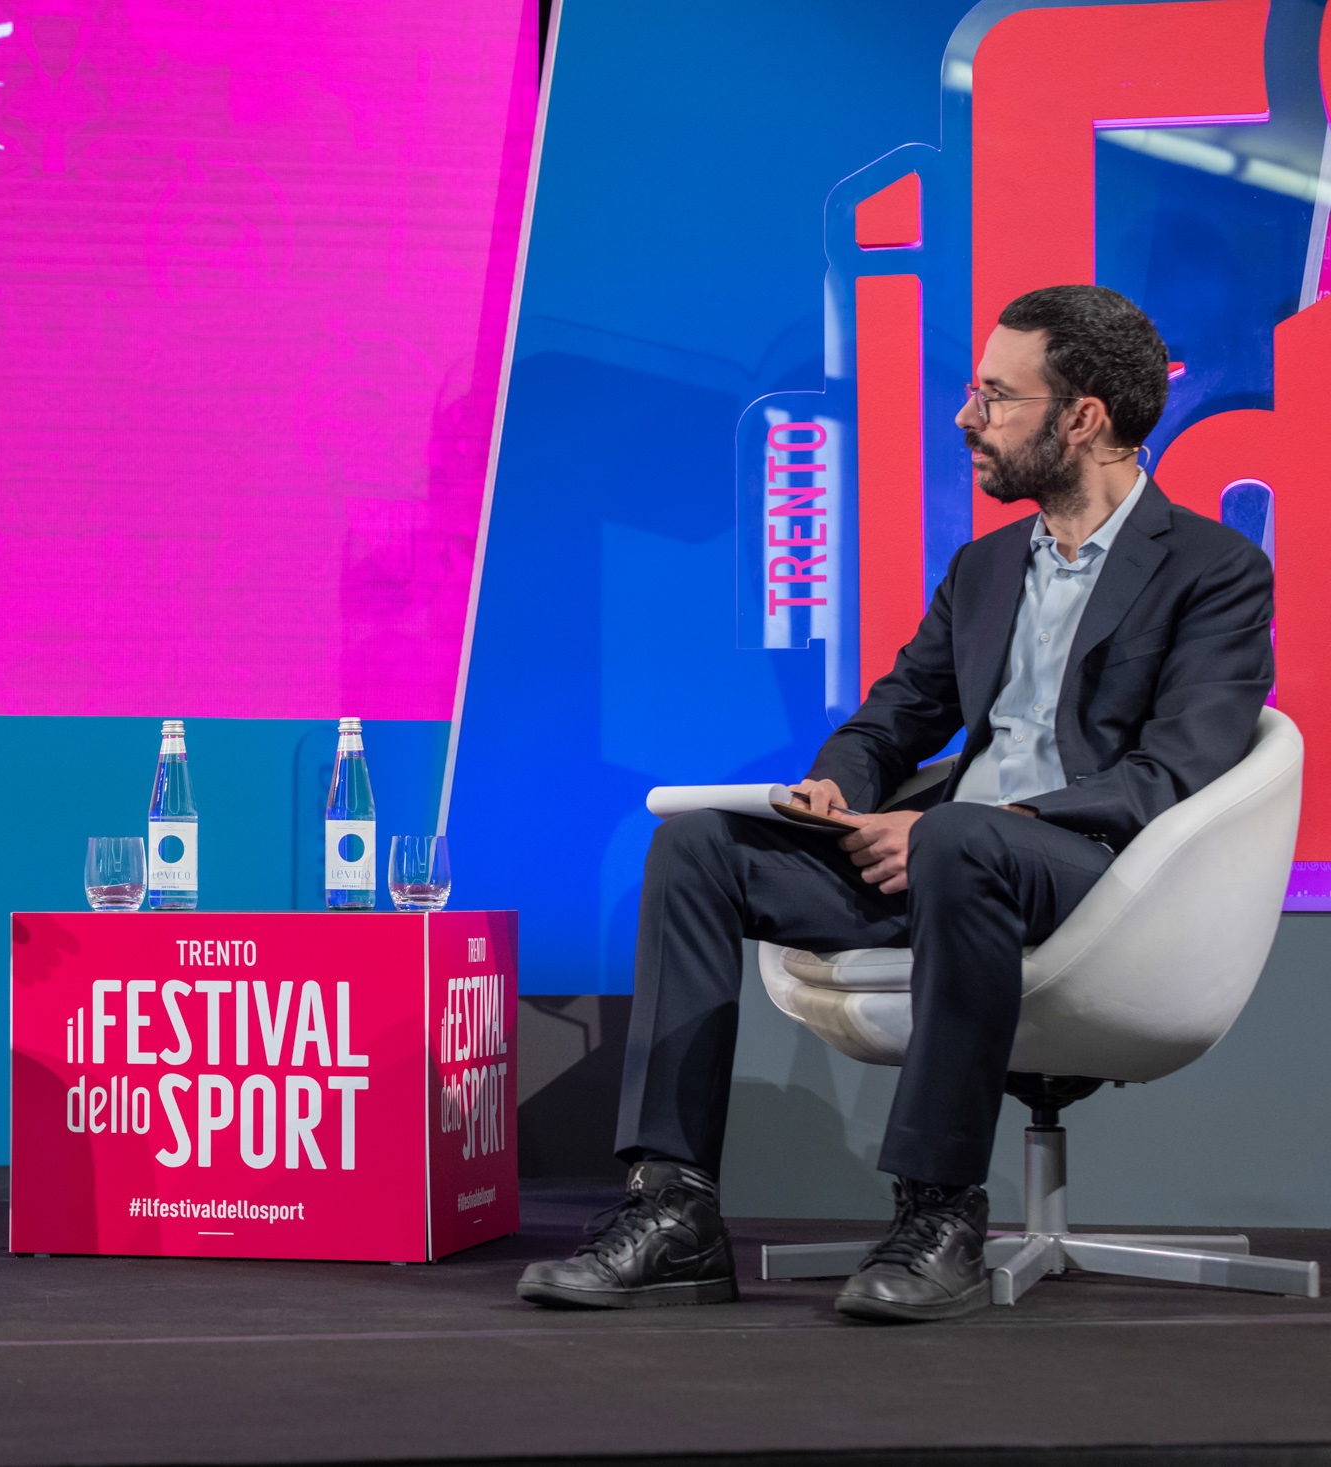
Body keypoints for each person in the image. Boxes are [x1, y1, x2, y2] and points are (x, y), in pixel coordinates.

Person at [517, 285, 1274, 1323]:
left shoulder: (1213, 570)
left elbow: (1172, 773)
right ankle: (673, 1208)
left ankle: (939, 1212)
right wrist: (841, 786)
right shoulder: (984, 566)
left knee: (961, 834)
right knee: (698, 849)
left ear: (1083, 418)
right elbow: (893, 717)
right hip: (944, 862)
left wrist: (986, 828)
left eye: (996, 397)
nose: (966, 418)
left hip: (1090, 878)